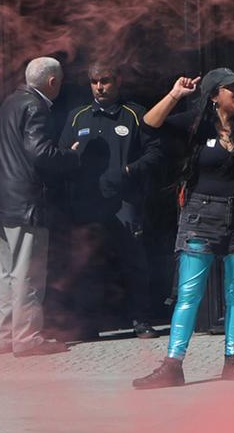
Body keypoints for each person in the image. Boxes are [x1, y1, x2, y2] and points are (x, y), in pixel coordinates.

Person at [130, 68, 234, 389]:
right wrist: (176, 94)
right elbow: (149, 125)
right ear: (215, 95)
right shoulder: (195, 124)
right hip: (201, 217)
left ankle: (233, 360)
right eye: (232, 89)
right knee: (190, 294)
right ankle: (173, 366)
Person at [0, 56, 78, 356]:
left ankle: (7, 335)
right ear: (52, 82)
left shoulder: (10, 102)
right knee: (28, 273)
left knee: (6, 271)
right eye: (60, 82)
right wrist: (70, 156)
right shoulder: (36, 107)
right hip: (26, 201)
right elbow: (40, 152)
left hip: (1, 199)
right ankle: (27, 338)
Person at [62, 65, 164, 338]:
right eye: (94, 82)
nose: (99, 87)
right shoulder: (77, 117)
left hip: (125, 203)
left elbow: (156, 154)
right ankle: (88, 324)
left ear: (117, 81)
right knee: (88, 263)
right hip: (87, 204)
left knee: (134, 262)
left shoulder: (135, 114)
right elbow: (61, 156)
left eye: (105, 81)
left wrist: (129, 171)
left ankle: (141, 320)